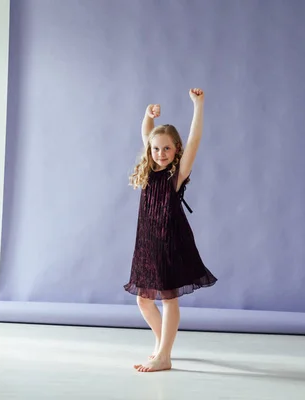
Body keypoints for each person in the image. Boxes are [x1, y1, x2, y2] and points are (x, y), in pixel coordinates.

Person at [124, 88, 217, 372]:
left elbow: (195, 138)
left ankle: (164, 355)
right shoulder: (150, 170)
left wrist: (198, 105)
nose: (161, 153)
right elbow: (147, 133)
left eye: (167, 148)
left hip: (170, 241)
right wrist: (146, 116)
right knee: (143, 299)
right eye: (156, 148)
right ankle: (163, 345)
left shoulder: (177, 173)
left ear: (177, 149)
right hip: (147, 243)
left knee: (168, 297)